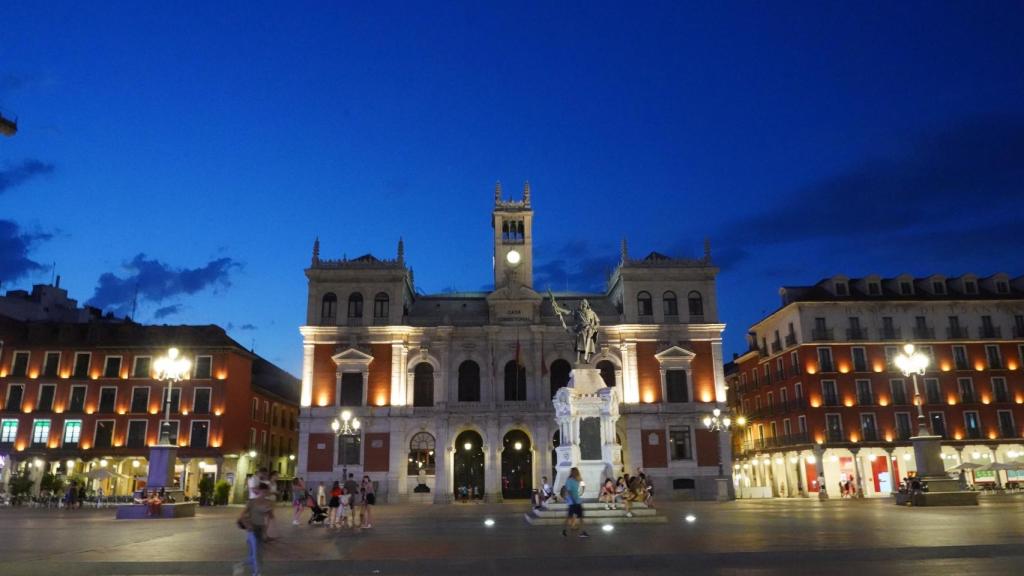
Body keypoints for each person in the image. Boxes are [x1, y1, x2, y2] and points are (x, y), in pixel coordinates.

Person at [237, 482, 274, 576]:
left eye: (267, 492)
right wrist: (248, 526)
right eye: (264, 491)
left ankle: (240, 565)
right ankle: (256, 573)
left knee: (257, 554)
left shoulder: (268, 503)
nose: (265, 494)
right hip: (252, 530)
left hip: (261, 529)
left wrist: (270, 512)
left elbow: (270, 517)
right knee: (256, 553)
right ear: (260, 491)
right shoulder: (252, 502)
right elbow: (241, 516)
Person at [562, 467, 589, 538]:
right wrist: (574, 499)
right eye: (577, 472)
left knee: (570, 517)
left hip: (574, 501)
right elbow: (569, 491)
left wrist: (582, 490)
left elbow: (583, 486)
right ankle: (582, 532)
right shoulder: (571, 480)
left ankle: (564, 530)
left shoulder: (575, 480)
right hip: (574, 502)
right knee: (578, 517)